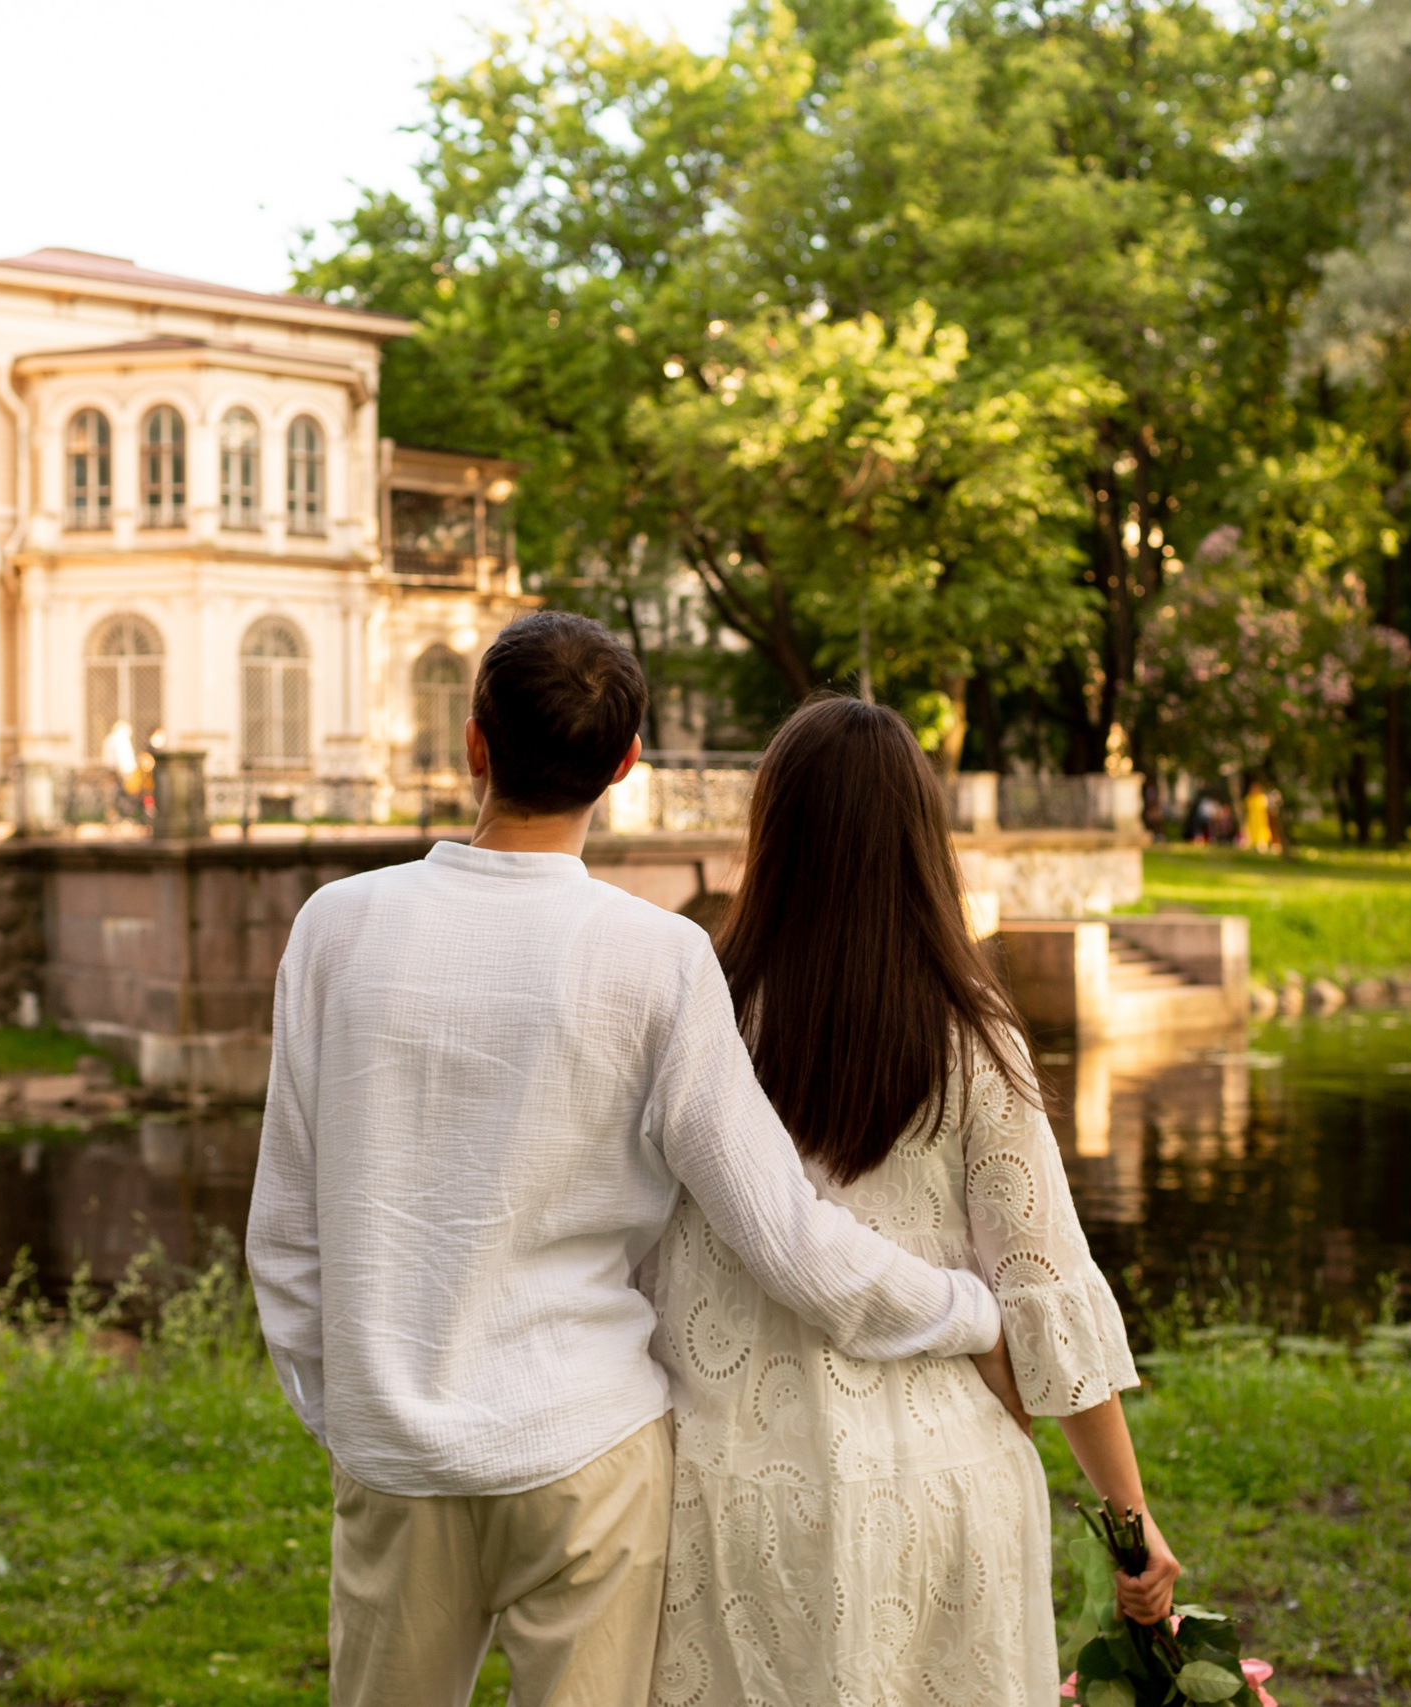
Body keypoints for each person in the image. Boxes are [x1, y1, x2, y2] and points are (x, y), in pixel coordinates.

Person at [245, 613, 1012, 1707]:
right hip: (587, 1451)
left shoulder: (335, 927)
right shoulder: (659, 957)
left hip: (394, 1461)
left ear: (473, 745)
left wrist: (352, 1408)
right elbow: (785, 1237)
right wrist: (972, 1312)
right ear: (624, 766)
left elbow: (284, 1230)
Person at [648, 694, 1178, 1705]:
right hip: (942, 1482)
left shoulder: (697, 1017)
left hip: (719, 1478)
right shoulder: (971, 1038)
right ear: (921, 840)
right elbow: (1044, 1291)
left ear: (772, 832)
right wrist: (1130, 1518)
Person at [100, 719, 143, 822]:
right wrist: (126, 774)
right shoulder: (120, 739)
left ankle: (113, 816)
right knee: (123, 795)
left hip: (111, 770)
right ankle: (126, 816)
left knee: (112, 796)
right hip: (121, 772)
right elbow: (122, 758)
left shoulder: (109, 739)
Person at [1241, 779, 1275, 854]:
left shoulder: (1262, 797)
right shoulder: (1249, 798)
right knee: (1251, 830)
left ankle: (1262, 845)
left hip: (1261, 818)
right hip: (1252, 818)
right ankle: (1251, 843)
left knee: (1262, 831)